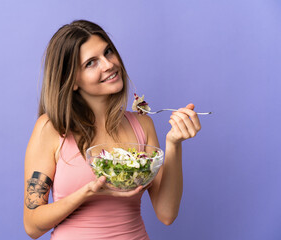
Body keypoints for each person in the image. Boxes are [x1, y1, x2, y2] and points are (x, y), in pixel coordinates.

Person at [23, 20, 202, 240]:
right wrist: (87, 192)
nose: (108, 64)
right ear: (72, 81)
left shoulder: (142, 124)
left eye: (108, 52)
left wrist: (174, 143)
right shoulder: (51, 128)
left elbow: (166, 214)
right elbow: (32, 226)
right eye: (91, 63)